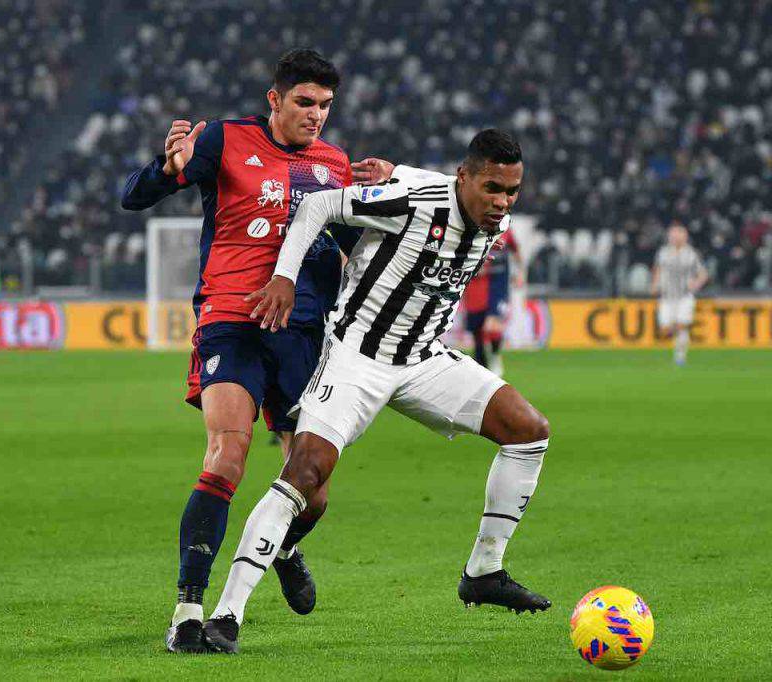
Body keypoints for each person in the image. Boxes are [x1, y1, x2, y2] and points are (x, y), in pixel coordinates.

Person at [202, 129, 552, 654]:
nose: (502, 202)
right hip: (356, 357)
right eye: (492, 188)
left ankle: (484, 570)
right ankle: (226, 615)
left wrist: (400, 169)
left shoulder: (485, 220)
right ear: (464, 178)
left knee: (529, 431)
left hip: (423, 360)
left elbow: (416, 179)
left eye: (511, 192)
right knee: (304, 478)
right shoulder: (412, 198)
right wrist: (285, 276)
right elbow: (320, 204)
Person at [120, 48, 388, 654]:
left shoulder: (334, 163)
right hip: (233, 322)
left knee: (313, 490)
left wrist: (379, 194)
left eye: (325, 105)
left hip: (306, 336)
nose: (316, 115)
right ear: (275, 99)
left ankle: (284, 543)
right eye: (304, 103)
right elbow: (133, 197)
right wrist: (166, 170)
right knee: (226, 455)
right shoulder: (223, 139)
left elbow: (357, 242)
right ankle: (188, 614)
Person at [462, 229, 523, 375]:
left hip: (497, 284)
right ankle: (480, 366)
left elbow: (515, 250)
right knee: (477, 329)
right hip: (475, 283)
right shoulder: (471, 227)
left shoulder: (505, 229)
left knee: (492, 324)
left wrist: (520, 272)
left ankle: (495, 355)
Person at [651, 222, 708, 365]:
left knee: (682, 325)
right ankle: (677, 337)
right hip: (667, 296)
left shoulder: (691, 254)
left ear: (685, 237)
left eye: (678, 234)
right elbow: (658, 269)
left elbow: (703, 274)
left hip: (684, 296)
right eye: (672, 235)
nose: (675, 237)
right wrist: (654, 284)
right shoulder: (663, 252)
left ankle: (680, 356)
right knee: (665, 329)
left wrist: (696, 284)